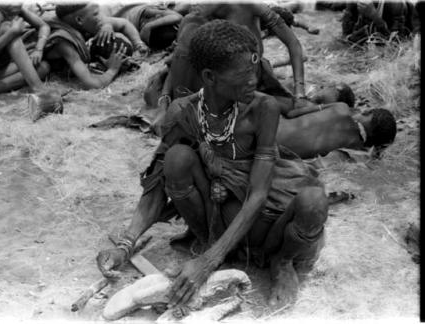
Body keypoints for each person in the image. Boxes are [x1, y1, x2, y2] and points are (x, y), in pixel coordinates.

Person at [96, 20, 328, 311]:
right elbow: (156, 186)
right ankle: (211, 243)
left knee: (314, 202)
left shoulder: (263, 109)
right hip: (216, 219)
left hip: (266, 223)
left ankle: (280, 264)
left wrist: (208, 263)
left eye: (254, 69)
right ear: (210, 77)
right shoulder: (183, 112)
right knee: (176, 159)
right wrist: (124, 246)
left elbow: (258, 193)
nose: (254, 80)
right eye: (243, 75)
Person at [153, 3, 310, 131]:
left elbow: (293, 44)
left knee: (294, 109)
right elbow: (176, 68)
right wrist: (163, 103)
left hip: (252, 80)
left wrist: (300, 92)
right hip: (221, 90)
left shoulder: (251, 7)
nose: (195, 4)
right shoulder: (194, 21)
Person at [37, 3, 145, 90]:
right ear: (79, 20)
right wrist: (112, 70)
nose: (100, 17)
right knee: (43, 68)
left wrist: (138, 44)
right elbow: (92, 84)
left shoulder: (88, 20)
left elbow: (124, 23)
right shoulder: (64, 42)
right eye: (96, 14)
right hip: (35, 59)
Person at [277, 103, 397, 159]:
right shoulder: (352, 150)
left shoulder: (341, 107)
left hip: (268, 129)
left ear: (367, 112)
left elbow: (293, 113)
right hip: (274, 153)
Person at [342, 0, 419, 44]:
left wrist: (375, 17)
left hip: (411, 23)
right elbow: (344, 37)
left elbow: (398, 43)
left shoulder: (396, 4)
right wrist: (351, 39)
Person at [113, 4, 183, 51]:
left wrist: (148, 26)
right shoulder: (148, 12)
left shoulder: (134, 31)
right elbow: (178, 17)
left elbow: (177, 17)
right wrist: (149, 26)